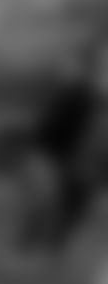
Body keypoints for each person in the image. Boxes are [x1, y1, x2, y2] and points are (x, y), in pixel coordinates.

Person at [19, 49, 102, 257]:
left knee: (72, 202)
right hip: (46, 155)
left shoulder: (89, 98)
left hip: (69, 159)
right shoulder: (76, 95)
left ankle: (50, 248)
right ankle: (29, 248)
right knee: (44, 203)